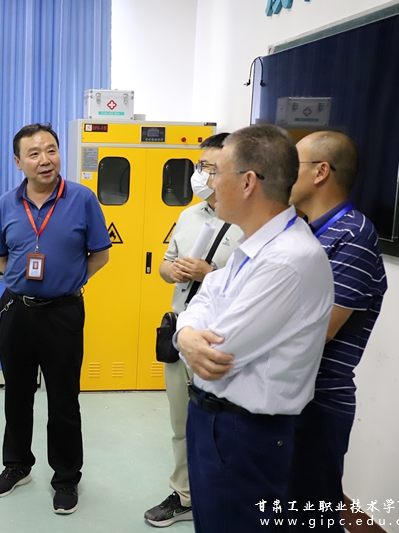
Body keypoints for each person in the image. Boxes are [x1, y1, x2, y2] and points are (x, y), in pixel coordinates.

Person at [174, 124, 335, 532]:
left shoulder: (287, 259)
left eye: (216, 173)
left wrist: (190, 335)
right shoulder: (254, 245)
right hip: (214, 421)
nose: (210, 184)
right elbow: (204, 298)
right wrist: (186, 334)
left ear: (248, 182)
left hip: (245, 432)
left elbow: (219, 349)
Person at [0, 123, 111, 515]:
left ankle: (66, 478)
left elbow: (100, 254)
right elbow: (0, 256)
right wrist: (22, 284)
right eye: (35, 153)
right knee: (16, 393)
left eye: (51, 150)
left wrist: (69, 282)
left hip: (63, 313)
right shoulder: (6, 204)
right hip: (17, 312)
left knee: (63, 399)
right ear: (18, 162)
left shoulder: (82, 199)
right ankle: (17, 465)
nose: (45, 159)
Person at [273, 131, 387, 532]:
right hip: (290, 395)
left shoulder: (354, 236)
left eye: (293, 166)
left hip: (318, 402)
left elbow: (317, 331)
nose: (284, 175)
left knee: (311, 517)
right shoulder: (307, 231)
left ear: (321, 172)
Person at [146, 132, 244, 528]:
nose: (201, 174)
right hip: (180, 334)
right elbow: (164, 264)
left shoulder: (251, 223)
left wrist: (210, 273)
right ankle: (184, 494)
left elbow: (257, 286)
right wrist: (174, 270)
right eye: (200, 166)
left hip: (222, 342)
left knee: (225, 427)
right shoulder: (189, 216)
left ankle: (225, 497)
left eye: (210, 167)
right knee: (181, 423)